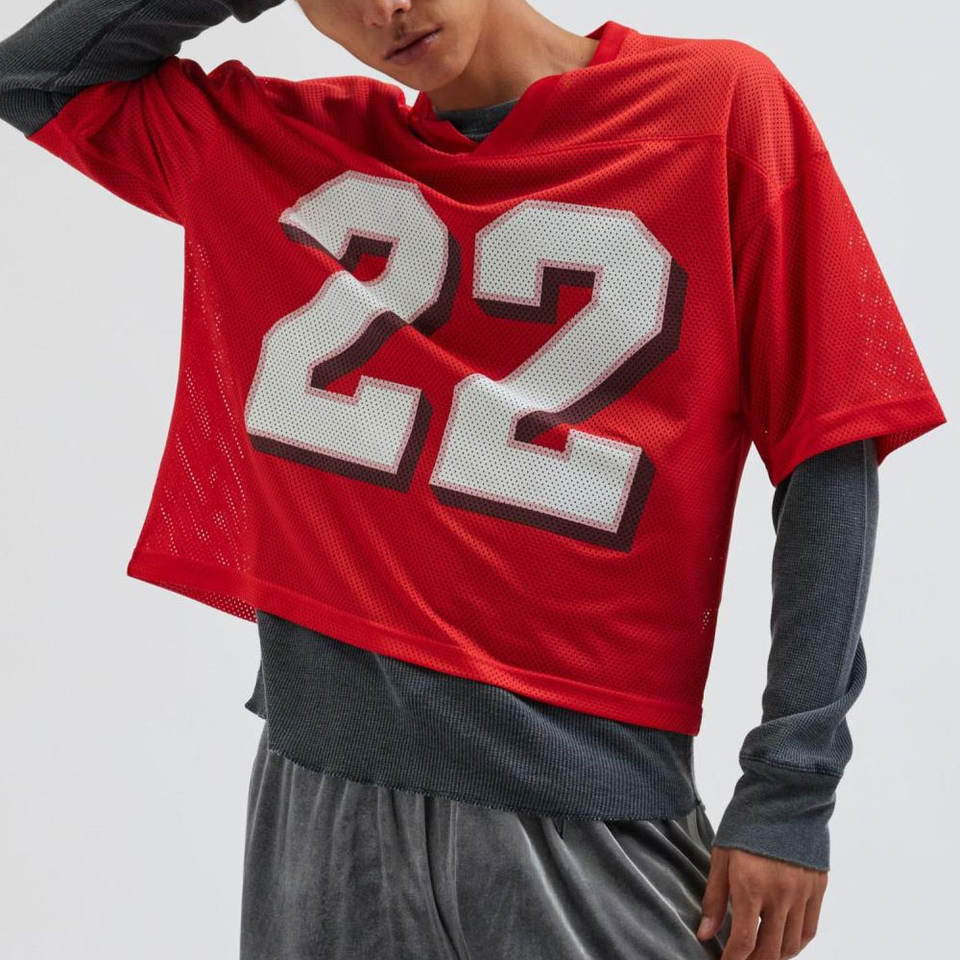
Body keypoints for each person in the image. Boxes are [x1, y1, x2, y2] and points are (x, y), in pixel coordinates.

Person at [0, 2, 946, 958]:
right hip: (320, 798)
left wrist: (790, 788)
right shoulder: (285, 150)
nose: (384, 8)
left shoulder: (715, 107)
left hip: (587, 810)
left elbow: (828, 452)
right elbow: (36, 76)